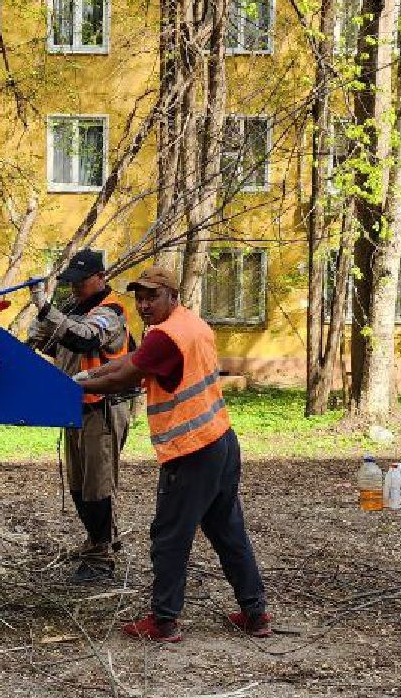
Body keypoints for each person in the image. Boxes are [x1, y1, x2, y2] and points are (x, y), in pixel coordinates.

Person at [72, 267, 269, 643]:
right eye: (139, 298)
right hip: (221, 439)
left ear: (172, 296)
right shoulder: (191, 324)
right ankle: (255, 613)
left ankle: (164, 622)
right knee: (228, 532)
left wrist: (75, 389)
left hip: (192, 449)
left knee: (169, 537)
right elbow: (129, 363)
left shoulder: (166, 337)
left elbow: (124, 377)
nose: (144, 305)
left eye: (152, 297)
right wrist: (85, 378)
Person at [30, 250, 137, 583]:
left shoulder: (111, 312)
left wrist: (47, 311)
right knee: (78, 484)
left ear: (100, 278)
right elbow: (53, 345)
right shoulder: (73, 310)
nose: (74, 288)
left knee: (97, 485)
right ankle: (95, 541)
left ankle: (101, 556)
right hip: (75, 407)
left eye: (80, 282)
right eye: (70, 283)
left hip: (104, 408)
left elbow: (83, 338)